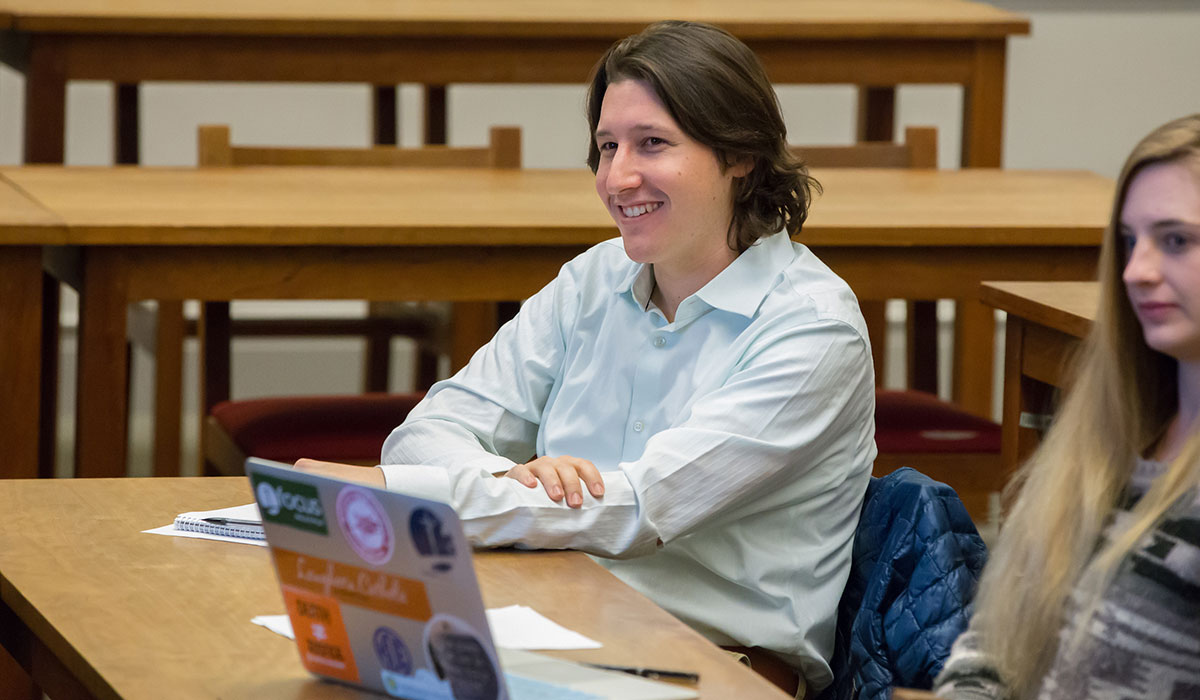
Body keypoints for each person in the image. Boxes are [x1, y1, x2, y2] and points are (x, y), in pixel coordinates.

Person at [298, 20, 876, 696]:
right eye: (607, 146)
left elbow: (633, 510)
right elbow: (428, 431)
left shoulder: (812, 328)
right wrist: (511, 476)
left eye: (652, 144)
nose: (616, 176)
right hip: (552, 621)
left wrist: (405, 495)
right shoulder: (593, 280)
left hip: (716, 664)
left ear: (740, 155)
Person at [933, 114, 1200, 699]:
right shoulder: (1110, 434)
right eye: (1130, 242)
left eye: (1176, 240)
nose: (1136, 271)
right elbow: (992, 648)